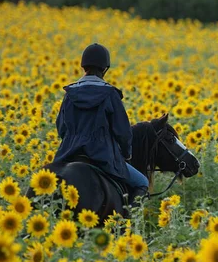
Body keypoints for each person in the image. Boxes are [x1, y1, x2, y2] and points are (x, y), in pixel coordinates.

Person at [53, 43, 149, 206]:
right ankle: (128, 224)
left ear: (84, 66)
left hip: (69, 152)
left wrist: (73, 140)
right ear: (105, 68)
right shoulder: (110, 94)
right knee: (142, 182)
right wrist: (126, 154)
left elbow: (61, 128)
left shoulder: (70, 94)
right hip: (103, 155)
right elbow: (123, 132)